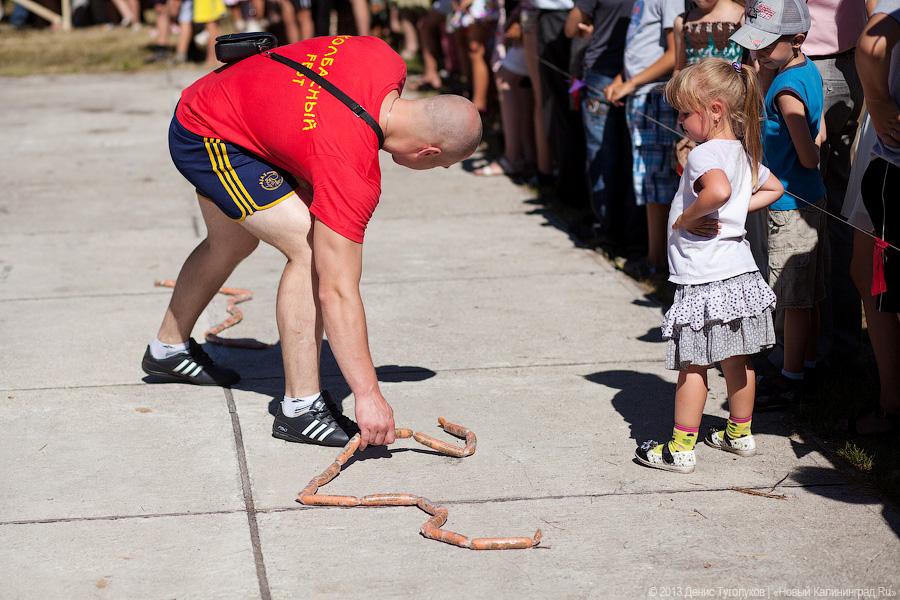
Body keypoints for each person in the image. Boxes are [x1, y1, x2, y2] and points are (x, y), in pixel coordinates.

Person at [141, 35, 482, 451]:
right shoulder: (350, 171)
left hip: (219, 99)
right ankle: (301, 409)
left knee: (230, 244)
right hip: (209, 132)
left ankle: (167, 349)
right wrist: (368, 394)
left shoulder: (383, 55)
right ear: (428, 153)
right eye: (441, 165)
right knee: (308, 252)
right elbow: (337, 290)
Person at [635, 59, 784, 473]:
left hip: (704, 278)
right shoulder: (740, 151)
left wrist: (687, 217)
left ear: (715, 110)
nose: (680, 121)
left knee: (693, 365)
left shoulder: (704, 156)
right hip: (738, 274)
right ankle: (740, 434)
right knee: (739, 360)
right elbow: (775, 187)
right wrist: (737, 211)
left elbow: (716, 190)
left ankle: (679, 448)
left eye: (685, 113)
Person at [731, 0, 827, 408]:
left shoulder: (785, 94)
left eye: (765, 46)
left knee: (790, 297)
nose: (756, 54)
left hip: (790, 203)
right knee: (806, 291)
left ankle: (791, 378)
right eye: (752, 45)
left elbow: (810, 155)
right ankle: (807, 360)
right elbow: (820, 134)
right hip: (807, 201)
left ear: (798, 39)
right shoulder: (806, 71)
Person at [604, 0, 683, 277]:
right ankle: (655, 258)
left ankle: (657, 261)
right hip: (639, 93)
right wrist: (621, 78)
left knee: (658, 180)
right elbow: (641, 49)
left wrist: (632, 82)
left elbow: (674, 54)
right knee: (648, 181)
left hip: (655, 94)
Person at [852, 0, 900, 433]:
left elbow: (870, 44)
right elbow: (870, 44)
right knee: (873, 275)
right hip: (890, 159)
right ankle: (891, 401)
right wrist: (877, 99)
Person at [564, 0, 634, 244]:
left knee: (601, 155)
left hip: (601, 74)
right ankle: (629, 232)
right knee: (629, 155)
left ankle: (605, 228)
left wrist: (589, 26)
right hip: (634, 74)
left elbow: (570, 28)